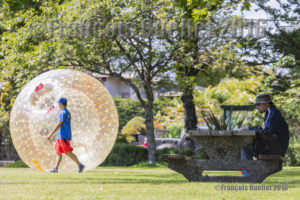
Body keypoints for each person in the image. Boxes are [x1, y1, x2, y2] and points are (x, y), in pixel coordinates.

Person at [240, 93, 290, 177]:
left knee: (245, 148)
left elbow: (267, 132)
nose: (256, 107)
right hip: (274, 146)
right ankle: (249, 174)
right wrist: (252, 128)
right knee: (246, 147)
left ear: (266, 104)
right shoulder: (271, 113)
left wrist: (250, 128)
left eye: (258, 104)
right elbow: (266, 130)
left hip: (275, 148)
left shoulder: (273, 113)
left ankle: (248, 176)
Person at [46, 97, 85, 173]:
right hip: (61, 136)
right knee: (58, 153)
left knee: (67, 152)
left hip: (62, 136)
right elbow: (68, 125)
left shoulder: (63, 113)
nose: (58, 105)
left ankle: (80, 165)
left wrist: (50, 134)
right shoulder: (67, 113)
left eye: (59, 104)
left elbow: (59, 124)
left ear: (61, 104)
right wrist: (69, 135)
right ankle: (55, 168)